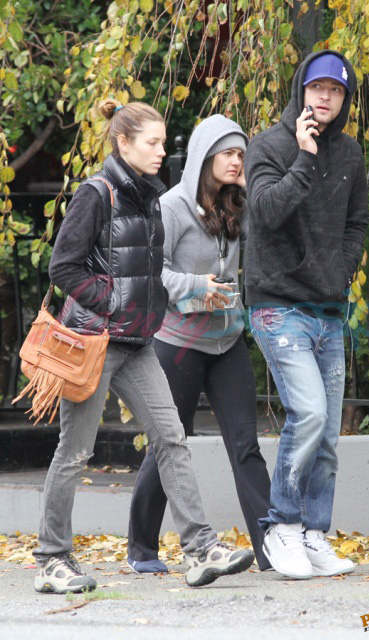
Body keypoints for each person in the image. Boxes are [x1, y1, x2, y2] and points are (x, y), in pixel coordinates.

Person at [33, 100, 254, 594]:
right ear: (124, 143)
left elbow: (152, 273)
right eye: (151, 143)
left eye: (161, 142)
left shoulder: (151, 197)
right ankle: (52, 558)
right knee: (75, 450)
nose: (160, 151)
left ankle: (201, 549)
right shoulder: (97, 194)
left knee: (172, 438)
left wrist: (166, 301)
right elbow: (63, 267)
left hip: (137, 343)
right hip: (94, 343)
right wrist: (111, 301)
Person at [127, 114, 272, 573]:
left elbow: (268, 239)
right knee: (170, 442)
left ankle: (270, 549)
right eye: (228, 153)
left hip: (228, 342)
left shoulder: (238, 202)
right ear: (205, 157)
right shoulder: (171, 206)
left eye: (241, 154)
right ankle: (142, 548)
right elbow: (153, 270)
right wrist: (195, 286)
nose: (236, 161)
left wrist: (253, 188)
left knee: (246, 445)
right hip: (179, 344)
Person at [244, 51, 368, 579]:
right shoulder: (267, 146)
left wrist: (340, 272)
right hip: (277, 305)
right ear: (301, 90)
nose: (325, 97)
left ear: (344, 100)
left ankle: (315, 533)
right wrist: (303, 155)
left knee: (329, 435)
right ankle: (282, 527)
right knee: (310, 414)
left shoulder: (351, 154)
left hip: (327, 308)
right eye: (317, 88)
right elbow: (266, 212)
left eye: (335, 91)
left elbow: (357, 223)